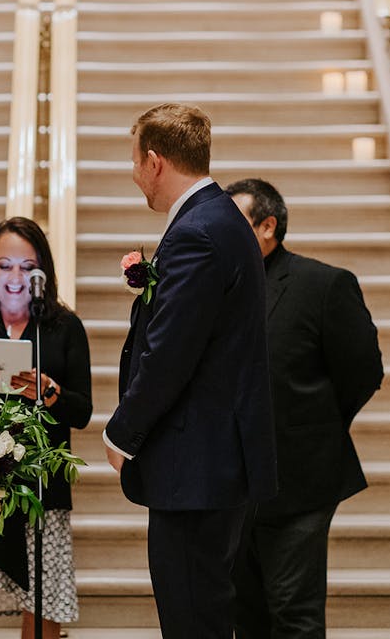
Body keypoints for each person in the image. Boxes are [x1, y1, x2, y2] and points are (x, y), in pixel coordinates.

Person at [103, 103, 277, 639]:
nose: (135, 177)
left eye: (135, 163)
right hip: (214, 462)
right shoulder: (220, 219)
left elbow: (171, 351)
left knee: (191, 619)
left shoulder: (197, 232)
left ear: (154, 161)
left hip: (197, 466)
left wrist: (122, 432)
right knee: (203, 614)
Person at [225, 178, 384, 639]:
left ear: (267, 226)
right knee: (245, 613)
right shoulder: (219, 290)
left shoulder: (323, 284)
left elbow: (363, 372)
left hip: (302, 477)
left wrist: (311, 425)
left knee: (295, 613)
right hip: (234, 484)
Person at [0, 217, 93, 639]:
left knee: (44, 601)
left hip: (42, 487)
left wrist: (48, 391)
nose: (15, 278)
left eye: (27, 267)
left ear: (42, 273)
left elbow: (82, 411)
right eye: (4, 265)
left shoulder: (64, 327)